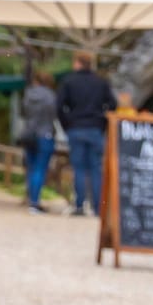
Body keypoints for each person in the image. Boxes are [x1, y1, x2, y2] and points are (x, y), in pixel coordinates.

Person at [56, 50, 117, 217]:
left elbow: (59, 107)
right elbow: (112, 104)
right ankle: (98, 207)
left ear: (77, 63)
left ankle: (79, 205)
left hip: (76, 128)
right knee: (96, 168)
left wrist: (67, 124)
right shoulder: (100, 82)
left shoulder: (69, 82)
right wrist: (102, 122)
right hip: (95, 129)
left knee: (79, 168)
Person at [18, 70, 60, 213]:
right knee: (40, 169)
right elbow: (55, 115)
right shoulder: (50, 96)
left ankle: (31, 199)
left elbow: (23, 113)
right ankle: (35, 202)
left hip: (29, 134)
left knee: (31, 168)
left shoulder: (27, 95)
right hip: (45, 134)